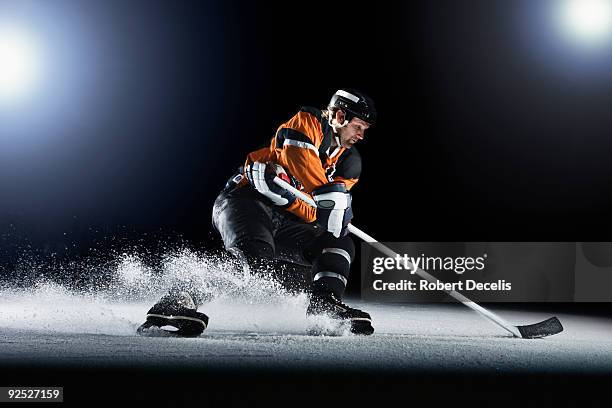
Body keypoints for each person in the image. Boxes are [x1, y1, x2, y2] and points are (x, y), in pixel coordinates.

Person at [137, 89, 376, 336]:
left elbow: (321, 211)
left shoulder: (350, 163)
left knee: (337, 241)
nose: (361, 135)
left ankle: (324, 307)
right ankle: (175, 301)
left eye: (365, 129)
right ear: (338, 116)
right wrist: (326, 201)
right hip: (246, 199)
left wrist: (321, 208)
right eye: (358, 126)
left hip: (284, 217)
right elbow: (302, 163)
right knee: (254, 256)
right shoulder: (308, 122)